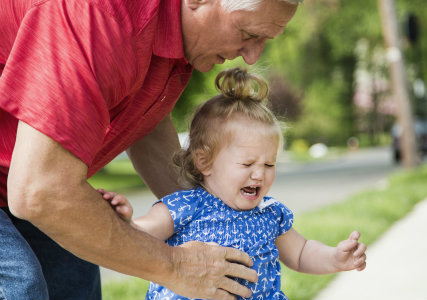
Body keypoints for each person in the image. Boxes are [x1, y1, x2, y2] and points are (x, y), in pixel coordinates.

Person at [0, 0, 300, 299]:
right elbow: (40, 192)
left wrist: (212, 217)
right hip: (31, 184)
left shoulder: (180, 42)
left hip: (20, 181)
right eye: (248, 34)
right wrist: (175, 266)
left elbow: (146, 126)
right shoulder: (99, 15)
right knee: (20, 285)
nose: (251, 57)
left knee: (75, 280)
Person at [99, 68, 368, 300]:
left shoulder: (270, 213)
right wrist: (127, 220)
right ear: (205, 162)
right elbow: (144, 234)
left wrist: (335, 258)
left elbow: (301, 253)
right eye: (247, 164)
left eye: (269, 165)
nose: (259, 174)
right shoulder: (185, 206)